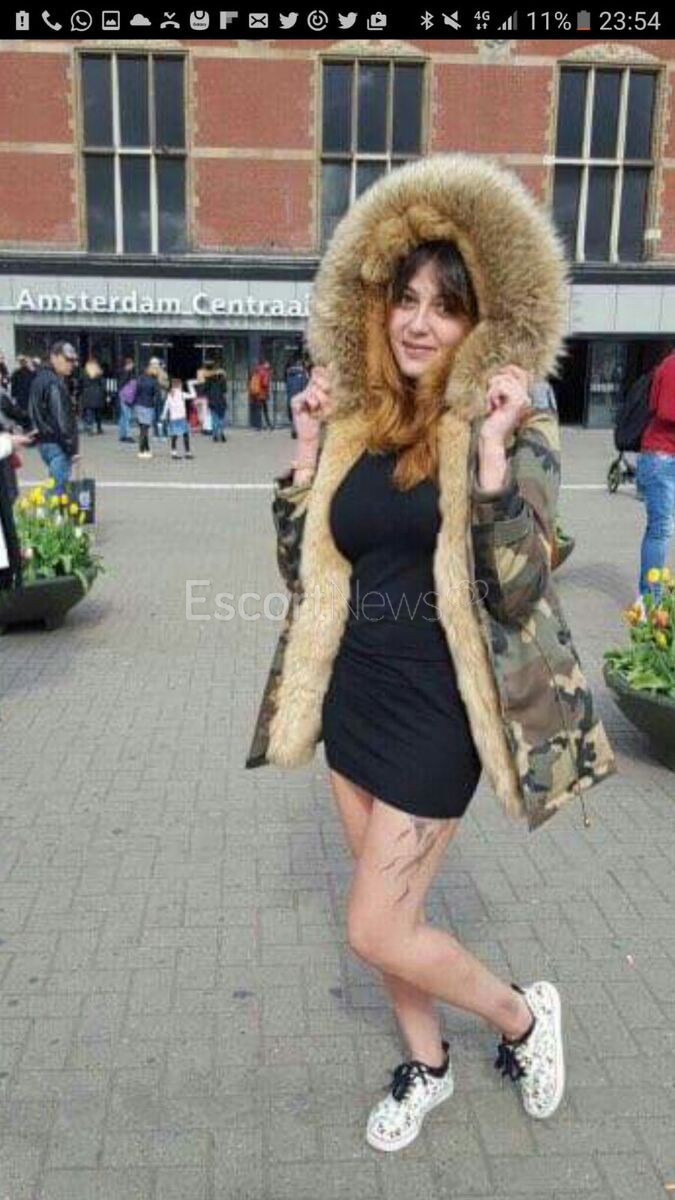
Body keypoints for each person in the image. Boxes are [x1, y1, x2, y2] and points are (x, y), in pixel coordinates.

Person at [246, 156, 616, 1151]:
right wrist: (303, 452)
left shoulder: (514, 427)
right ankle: (429, 1063)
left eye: (444, 308)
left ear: (478, 322)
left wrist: (492, 459)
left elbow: (521, 588)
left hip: (441, 714)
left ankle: (521, 1018)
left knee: (374, 924)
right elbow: (303, 570)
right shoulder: (358, 422)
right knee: (390, 917)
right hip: (354, 700)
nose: (417, 322)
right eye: (405, 299)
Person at [636, 345, 675, 603]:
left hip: (665, 456)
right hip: (662, 458)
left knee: (661, 528)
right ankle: (649, 600)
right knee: (660, 529)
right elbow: (666, 411)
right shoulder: (672, 366)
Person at [28, 340, 80, 496]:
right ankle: (47, 511)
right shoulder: (54, 383)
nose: (71, 364)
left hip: (45, 440)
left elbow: (32, 410)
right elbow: (61, 419)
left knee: (54, 488)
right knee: (56, 493)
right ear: (54, 357)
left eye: (73, 360)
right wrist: (71, 449)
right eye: (67, 359)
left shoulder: (40, 378)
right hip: (57, 443)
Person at [134, 365, 162, 460]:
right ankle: (141, 450)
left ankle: (147, 449)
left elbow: (136, 392)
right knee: (145, 429)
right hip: (148, 406)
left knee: (142, 428)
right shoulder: (154, 381)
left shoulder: (140, 379)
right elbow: (157, 396)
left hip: (138, 405)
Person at [162, 377, 194, 460]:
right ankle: (187, 453)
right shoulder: (181, 394)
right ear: (179, 385)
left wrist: (163, 416)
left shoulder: (169, 394)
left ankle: (174, 453)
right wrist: (190, 385)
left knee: (174, 436)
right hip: (182, 417)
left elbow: (166, 406)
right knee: (185, 435)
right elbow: (193, 395)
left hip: (173, 418)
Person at [202, 362, 228, 443]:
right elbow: (225, 391)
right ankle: (222, 434)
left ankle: (215, 436)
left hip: (212, 401)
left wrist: (209, 396)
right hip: (221, 401)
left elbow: (204, 390)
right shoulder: (222, 379)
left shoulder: (208, 379)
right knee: (221, 419)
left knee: (214, 419)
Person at [80, 357, 106, 435]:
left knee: (89, 413)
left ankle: (90, 429)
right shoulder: (99, 373)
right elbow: (103, 384)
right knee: (98, 413)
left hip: (87, 395)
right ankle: (99, 428)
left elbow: (81, 383)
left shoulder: (85, 373)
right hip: (97, 395)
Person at [285, 353, 309, 438]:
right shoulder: (303, 374)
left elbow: (287, 386)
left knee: (294, 414)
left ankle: (294, 430)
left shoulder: (289, 373)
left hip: (291, 396)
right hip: (300, 396)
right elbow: (304, 386)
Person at [116, 356, 136, 443]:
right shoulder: (127, 373)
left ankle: (122, 435)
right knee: (127, 416)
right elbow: (124, 384)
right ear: (129, 364)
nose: (133, 366)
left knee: (123, 416)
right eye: (132, 364)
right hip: (126, 396)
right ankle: (128, 435)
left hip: (122, 396)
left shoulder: (122, 372)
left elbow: (120, 385)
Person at [249, 358, 273, 430]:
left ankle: (259, 425)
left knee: (258, 410)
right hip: (263, 394)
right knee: (265, 410)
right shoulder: (265, 372)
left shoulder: (256, 370)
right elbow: (265, 383)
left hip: (256, 393)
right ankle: (268, 424)